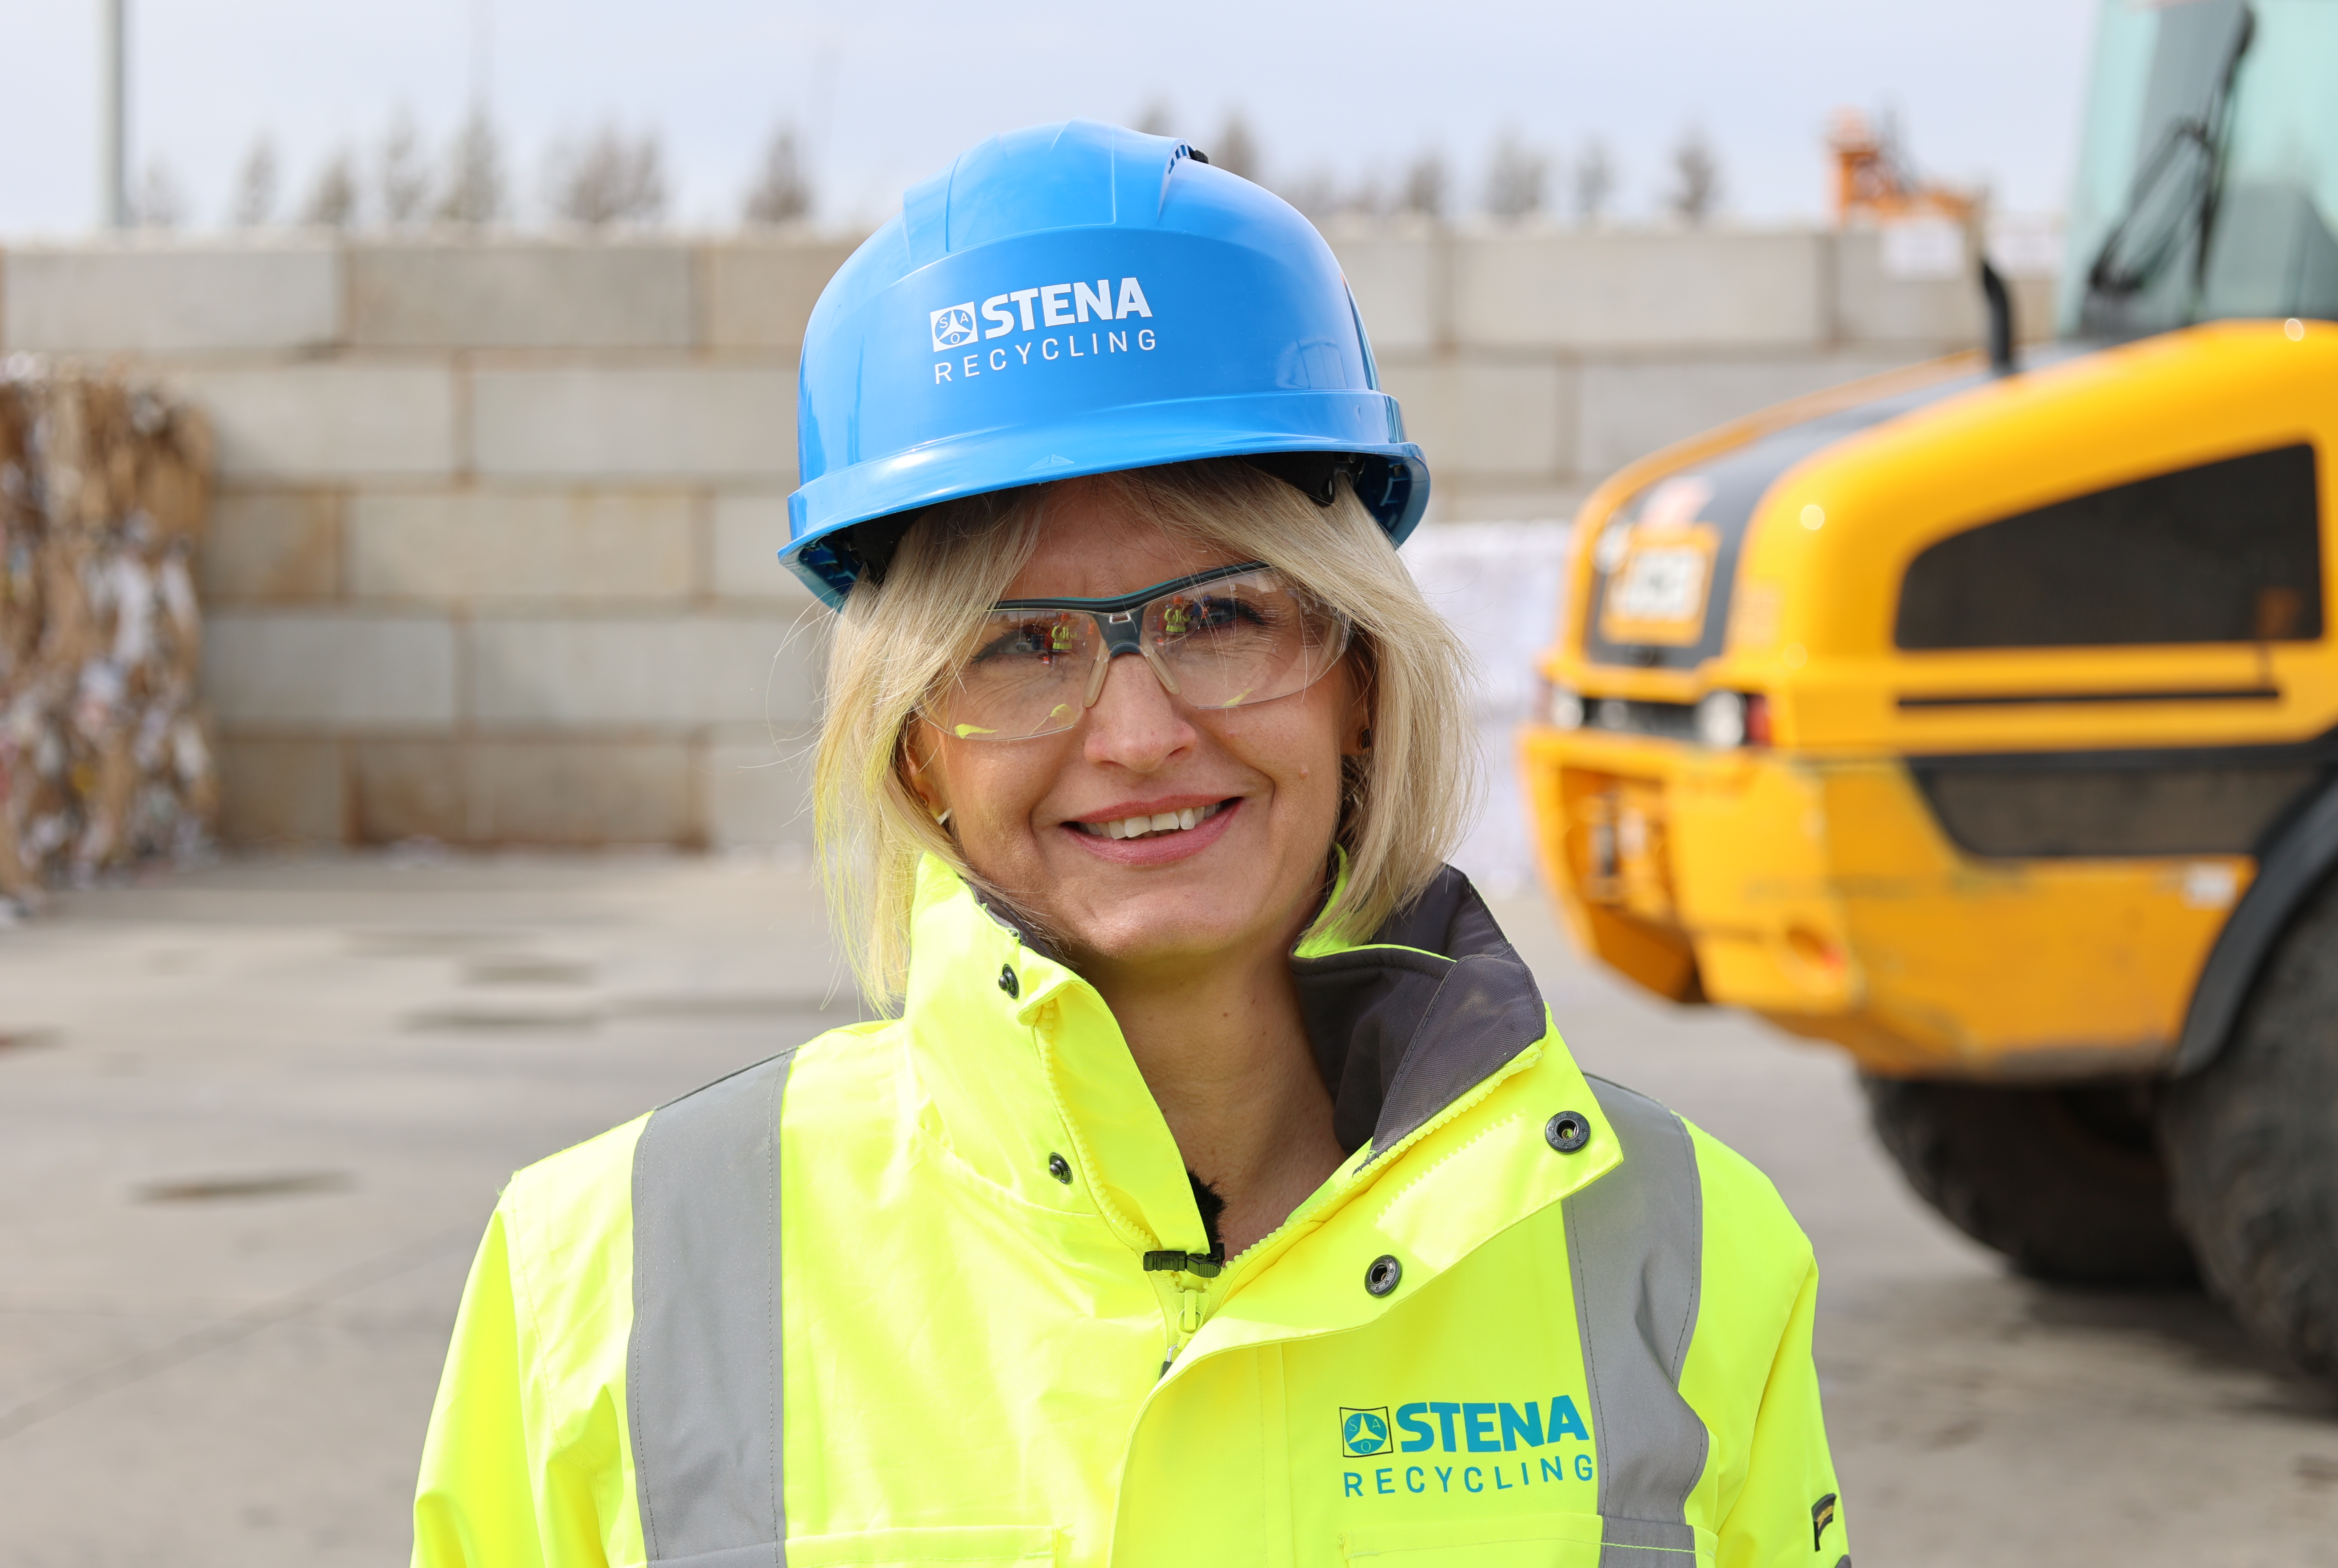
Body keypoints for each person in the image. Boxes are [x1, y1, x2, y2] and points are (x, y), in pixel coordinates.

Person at [411, 121, 1849, 1568]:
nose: (1140, 731)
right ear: (915, 739)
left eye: (1221, 615)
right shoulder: (606, 1275)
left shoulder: (1683, 1245)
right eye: (1021, 645)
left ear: (1358, 678)